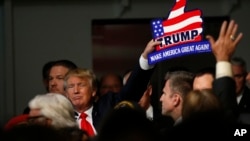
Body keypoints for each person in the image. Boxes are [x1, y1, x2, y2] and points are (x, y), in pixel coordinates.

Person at [64, 41, 157, 137]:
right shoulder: (62, 118)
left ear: (93, 91)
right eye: (71, 87)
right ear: (66, 93)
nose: (76, 91)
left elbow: (132, 90)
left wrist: (146, 57)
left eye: (81, 85)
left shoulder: (108, 105)